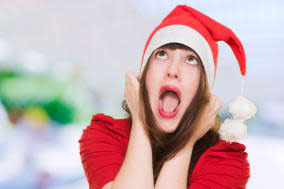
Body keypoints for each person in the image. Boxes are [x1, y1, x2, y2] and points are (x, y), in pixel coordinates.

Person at [78, 5, 250, 189]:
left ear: (204, 89)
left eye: (191, 59)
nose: (173, 70)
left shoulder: (226, 161)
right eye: (161, 55)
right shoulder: (106, 135)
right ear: (144, 76)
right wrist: (141, 121)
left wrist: (186, 140)